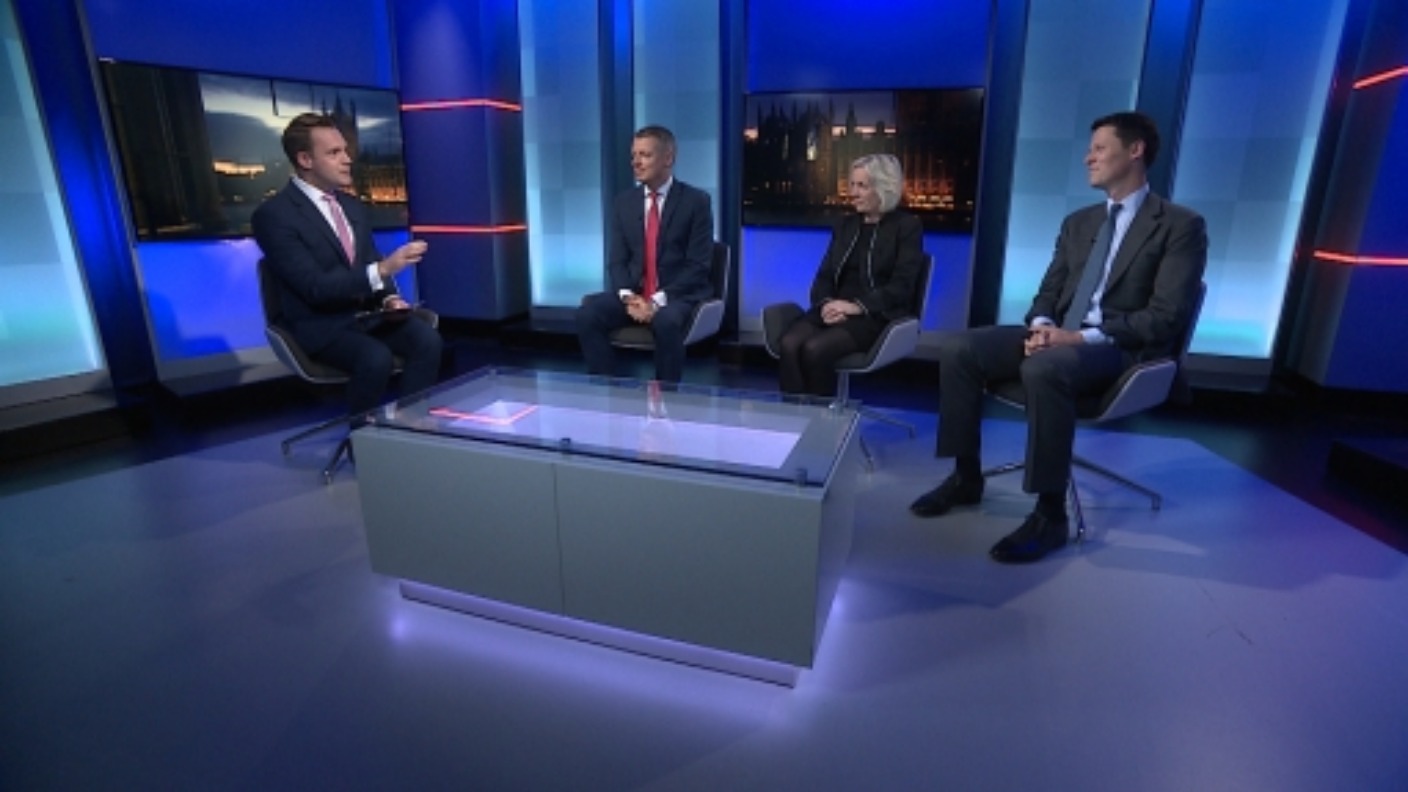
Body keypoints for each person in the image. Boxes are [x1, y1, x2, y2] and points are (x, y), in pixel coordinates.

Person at [909, 111, 1207, 564]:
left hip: (1119, 348)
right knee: (960, 348)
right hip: (1061, 337)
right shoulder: (1078, 223)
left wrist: (1077, 340)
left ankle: (1050, 513)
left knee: (1045, 368)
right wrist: (1044, 327)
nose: (1088, 158)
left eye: (1099, 148)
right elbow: (1048, 293)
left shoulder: (1180, 225)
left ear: (1135, 150)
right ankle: (965, 477)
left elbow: (1165, 318)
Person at [253, 113, 442, 417]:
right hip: (321, 326)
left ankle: (410, 428)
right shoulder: (274, 216)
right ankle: (362, 438)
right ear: (305, 159)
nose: (347, 159)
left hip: (367, 317)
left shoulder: (353, 206)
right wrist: (383, 270)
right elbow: (315, 287)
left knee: (427, 340)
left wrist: (389, 298)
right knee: (375, 357)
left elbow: (369, 259)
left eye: (345, 150)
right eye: (334, 153)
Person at [774, 153, 924, 397]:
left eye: (862, 186)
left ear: (883, 187)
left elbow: (902, 286)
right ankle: (795, 415)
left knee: (814, 349)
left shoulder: (906, 227)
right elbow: (824, 277)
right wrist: (826, 305)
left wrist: (856, 307)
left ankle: (821, 418)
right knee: (789, 344)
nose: (853, 193)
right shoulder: (845, 225)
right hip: (835, 309)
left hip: (875, 315)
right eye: (852, 185)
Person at [575, 125, 714, 383]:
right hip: (635, 294)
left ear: (668, 158)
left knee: (666, 321)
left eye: (645, 155)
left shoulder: (696, 202)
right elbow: (617, 261)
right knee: (587, 315)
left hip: (677, 295)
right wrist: (630, 299)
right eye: (634, 155)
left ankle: (666, 395)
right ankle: (607, 390)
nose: (636, 162)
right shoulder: (624, 203)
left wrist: (656, 302)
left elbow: (698, 266)